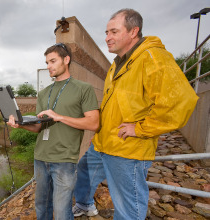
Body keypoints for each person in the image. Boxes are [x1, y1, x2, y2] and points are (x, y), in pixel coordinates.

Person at [72, 8, 199, 220]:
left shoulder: (152, 57)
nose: (107, 38)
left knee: (127, 206)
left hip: (127, 149)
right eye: (106, 32)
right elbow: (115, 104)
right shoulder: (119, 63)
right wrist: (100, 132)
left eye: (113, 31)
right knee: (84, 171)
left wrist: (140, 129)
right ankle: (84, 204)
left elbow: (180, 101)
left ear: (133, 31)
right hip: (104, 142)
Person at [7, 43, 99, 220]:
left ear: (66, 60)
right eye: (47, 62)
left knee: (62, 212)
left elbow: (94, 123)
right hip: (40, 158)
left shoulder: (83, 88)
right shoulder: (43, 93)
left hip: (64, 160)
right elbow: (39, 127)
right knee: (42, 207)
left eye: (53, 61)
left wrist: (59, 117)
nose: (48, 66)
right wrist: (21, 124)